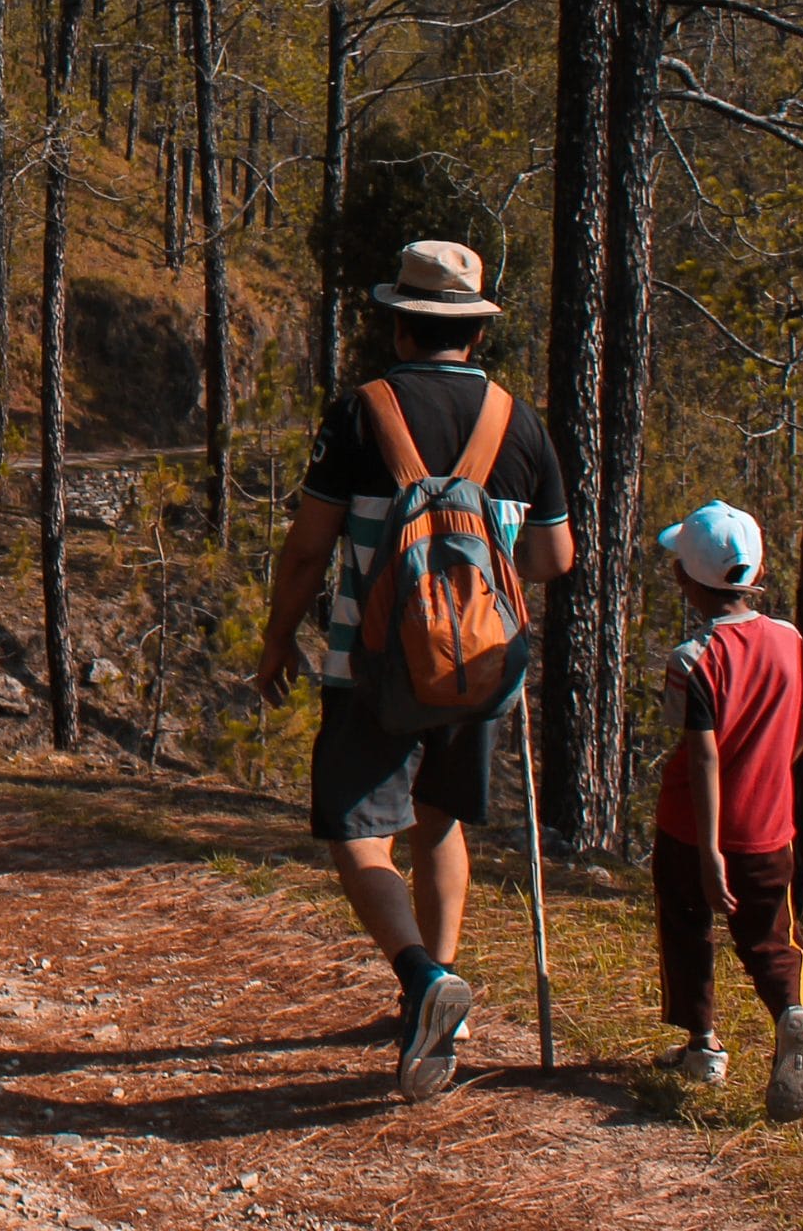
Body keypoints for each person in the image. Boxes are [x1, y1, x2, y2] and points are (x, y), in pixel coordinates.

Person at [256, 239, 572, 1102]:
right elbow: (554, 556)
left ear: (400, 325)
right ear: (473, 331)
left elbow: (308, 547)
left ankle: (422, 980)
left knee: (361, 836)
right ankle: (446, 1004)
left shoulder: (363, 414)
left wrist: (279, 637)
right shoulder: (520, 422)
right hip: (480, 666)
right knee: (440, 825)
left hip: (372, 664)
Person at [649, 500, 803, 1123]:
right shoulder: (790, 640)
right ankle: (792, 1014)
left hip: (692, 829)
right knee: (769, 936)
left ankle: (703, 1046)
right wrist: (770, 768)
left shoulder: (692, 659)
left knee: (687, 924)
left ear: (686, 580)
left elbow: (701, 758)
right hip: (771, 828)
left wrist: (712, 849)